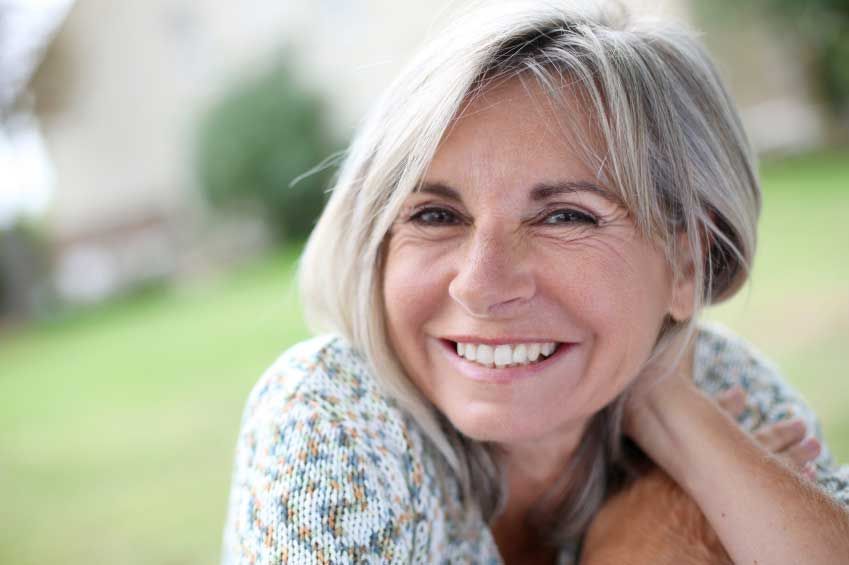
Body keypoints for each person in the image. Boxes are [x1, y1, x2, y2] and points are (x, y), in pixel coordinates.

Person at [220, 2, 849, 564]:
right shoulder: (335, 416)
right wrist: (648, 538)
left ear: (686, 265)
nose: (480, 285)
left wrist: (673, 417)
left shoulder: (716, 381)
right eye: (436, 215)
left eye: (565, 216)